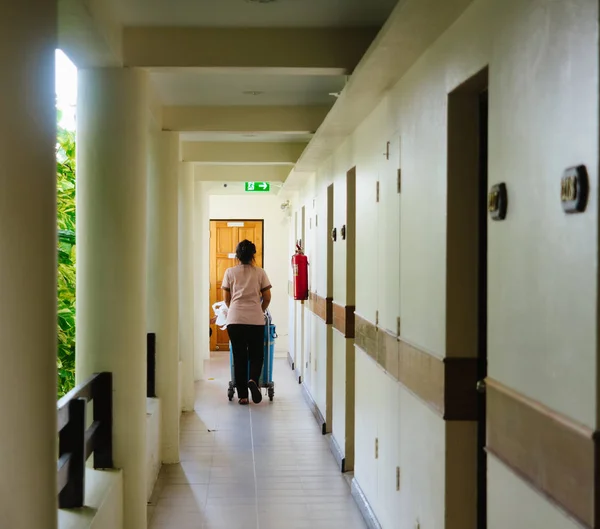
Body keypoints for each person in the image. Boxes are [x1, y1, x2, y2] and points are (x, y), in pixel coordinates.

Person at [222, 239, 272, 405]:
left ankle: (243, 396)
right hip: (255, 320)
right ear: (253, 255)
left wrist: (235, 310)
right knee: (257, 355)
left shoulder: (230, 272)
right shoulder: (260, 272)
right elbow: (267, 297)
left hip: (235, 320)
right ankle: (253, 380)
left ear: (237, 255)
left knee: (239, 356)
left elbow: (226, 299)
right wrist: (260, 310)